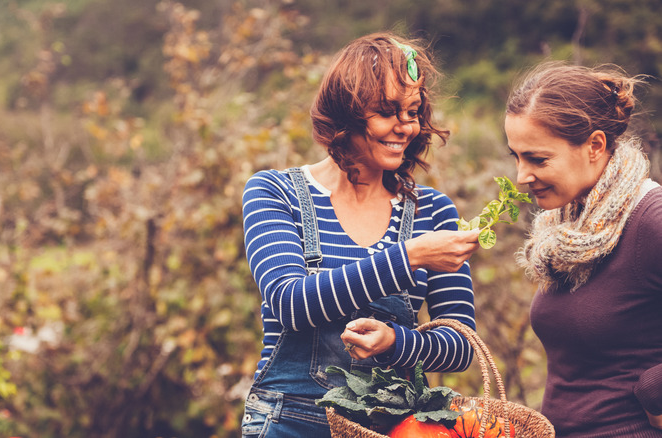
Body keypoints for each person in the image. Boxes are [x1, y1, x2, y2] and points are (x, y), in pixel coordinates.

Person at [240, 32, 481, 437]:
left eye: (413, 111)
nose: (405, 127)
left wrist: (395, 343)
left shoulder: (433, 212)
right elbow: (290, 304)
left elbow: (461, 346)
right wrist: (410, 258)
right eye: (387, 111)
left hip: (388, 428)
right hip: (289, 423)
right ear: (345, 113)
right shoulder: (274, 192)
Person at [505, 61, 662, 437]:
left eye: (538, 159)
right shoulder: (569, 226)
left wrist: (655, 391)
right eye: (517, 156)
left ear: (595, 145)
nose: (521, 177)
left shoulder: (650, 219)